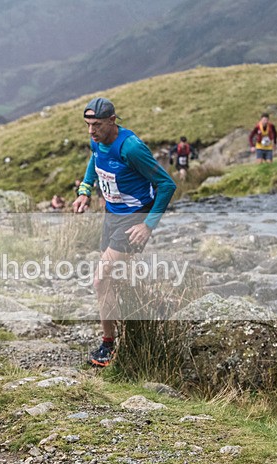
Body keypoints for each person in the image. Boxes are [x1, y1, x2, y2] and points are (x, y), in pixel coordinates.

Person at [72, 97, 176, 367]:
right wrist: (84, 191)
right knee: (117, 279)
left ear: (112, 121)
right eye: (87, 125)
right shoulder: (96, 141)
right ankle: (145, 322)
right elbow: (93, 163)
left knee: (100, 279)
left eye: (96, 125)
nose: (91, 131)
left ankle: (108, 344)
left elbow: (167, 185)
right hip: (112, 215)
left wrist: (148, 225)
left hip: (134, 218)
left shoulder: (131, 148)